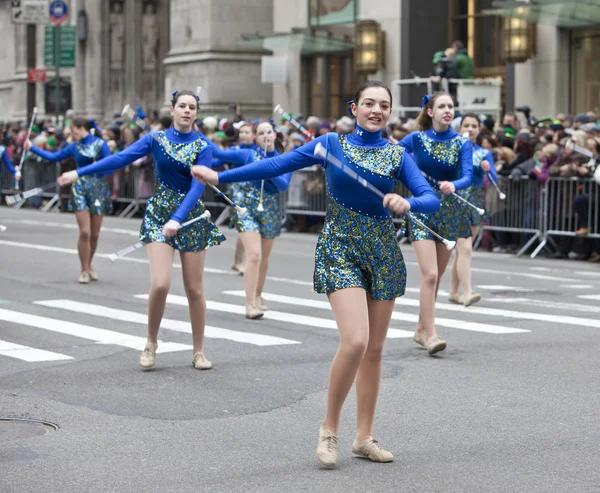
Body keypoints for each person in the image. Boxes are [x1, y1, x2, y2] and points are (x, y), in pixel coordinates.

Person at [192, 81, 440, 467]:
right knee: (356, 341)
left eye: (384, 105)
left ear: (390, 112)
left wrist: (407, 200)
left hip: (382, 252)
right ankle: (329, 429)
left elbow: (431, 197)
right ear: (355, 107)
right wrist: (221, 177)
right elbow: (277, 164)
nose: (377, 110)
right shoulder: (331, 145)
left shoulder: (396, 154)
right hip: (340, 246)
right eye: (369, 103)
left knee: (374, 350)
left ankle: (364, 436)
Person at [57, 90, 225, 371]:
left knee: (195, 289)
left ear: (196, 113)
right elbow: (119, 159)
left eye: (192, 107)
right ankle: (151, 342)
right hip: (159, 215)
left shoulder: (203, 146)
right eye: (181, 106)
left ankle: (198, 351)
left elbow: (198, 186)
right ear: (172, 110)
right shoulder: (154, 139)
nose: (186, 110)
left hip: (191, 217)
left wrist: (179, 218)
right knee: (160, 283)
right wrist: (78, 173)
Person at [399, 92, 473, 355]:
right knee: (429, 274)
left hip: (449, 213)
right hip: (421, 209)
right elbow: (393, 157)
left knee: (436, 276)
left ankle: (420, 329)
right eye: (442, 106)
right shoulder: (416, 139)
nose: (447, 110)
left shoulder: (461, 143)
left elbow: (468, 176)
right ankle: (431, 335)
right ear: (430, 111)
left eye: (451, 106)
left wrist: (454, 184)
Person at [207, 121, 292, 319]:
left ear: (275, 135)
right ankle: (250, 304)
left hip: (269, 211)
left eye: (268, 132)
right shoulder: (248, 154)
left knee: (264, 258)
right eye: (261, 133)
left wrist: (268, 166)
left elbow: (282, 185)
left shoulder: (284, 159)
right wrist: (195, 134)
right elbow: (219, 154)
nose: (265, 136)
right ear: (256, 137)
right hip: (246, 210)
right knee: (254, 254)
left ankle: (258, 294)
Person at [25, 117, 112, 284]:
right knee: (85, 232)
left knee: (95, 234)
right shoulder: (74, 146)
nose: (71, 134)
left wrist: (101, 169)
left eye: (72, 130)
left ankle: (89, 263)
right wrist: (32, 148)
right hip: (79, 188)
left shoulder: (101, 144)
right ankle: (84, 269)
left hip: (98, 189)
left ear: (81, 129)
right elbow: (54, 157)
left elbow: (111, 163)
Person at [448, 113, 497, 306]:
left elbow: (495, 178)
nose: (470, 128)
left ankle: (453, 291)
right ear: (460, 128)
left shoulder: (484, 153)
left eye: (474, 125)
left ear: (479, 129)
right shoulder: (454, 148)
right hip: (457, 200)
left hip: (476, 202)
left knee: (462, 251)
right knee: (465, 248)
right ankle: (467, 291)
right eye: (466, 125)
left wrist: (487, 169)